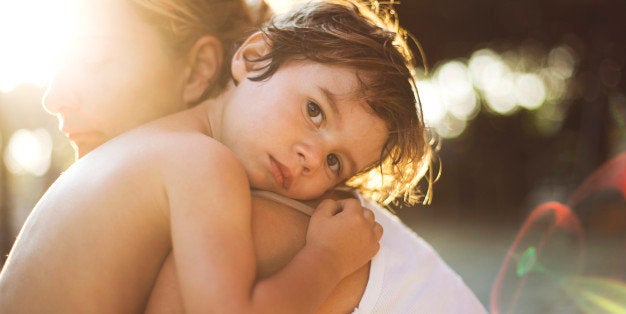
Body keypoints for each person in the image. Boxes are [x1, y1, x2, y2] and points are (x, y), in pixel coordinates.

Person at [4, 0, 486, 312]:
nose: (310, 158)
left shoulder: (147, 149)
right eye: (315, 111)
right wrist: (326, 258)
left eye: (336, 163)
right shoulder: (201, 165)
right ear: (252, 57)